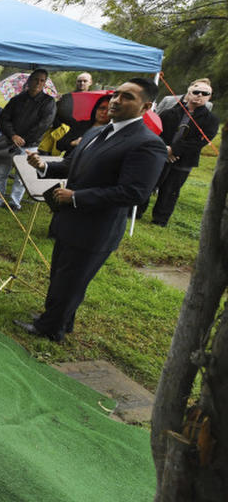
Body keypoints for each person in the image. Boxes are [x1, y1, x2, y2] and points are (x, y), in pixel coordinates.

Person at [16, 79, 167, 342]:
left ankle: (51, 329)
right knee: (62, 274)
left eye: (127, 97)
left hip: (97, 227)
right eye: (116, 94)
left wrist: (77, 197)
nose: (117, 101)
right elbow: (74, 164)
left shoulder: (147, 144)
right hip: (70, 220)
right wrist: (44, 167)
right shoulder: (97, 131)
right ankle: (59, 317)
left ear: (146, 106)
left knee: (72, 279)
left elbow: (134, 192)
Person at [141, 79, 219, 227]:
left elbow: (201, 141)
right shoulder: (170, 112)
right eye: (196, 92)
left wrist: (174, 150)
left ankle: (160, 219)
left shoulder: (211, 120)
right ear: (188, 93)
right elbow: (157, 132)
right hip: (161, 155)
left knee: (171, 190)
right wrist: (165, 149)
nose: (199, 95)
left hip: (184, 160)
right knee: (149, 182)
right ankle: (136, 212)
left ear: (209, 97)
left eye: (204, 93)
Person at [0, 69, 56, 210]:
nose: (38, 82)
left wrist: (24, 139)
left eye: (42, 80)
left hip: (30, 145)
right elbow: (3, 118)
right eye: (36, 79)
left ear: (45, 83)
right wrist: (13, 135)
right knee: (1, 172)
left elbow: (43, 125)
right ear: (29, 80)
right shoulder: (17, 99)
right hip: (9, 140)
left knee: (21, 176)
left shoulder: (48, 102)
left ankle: (14, 202)